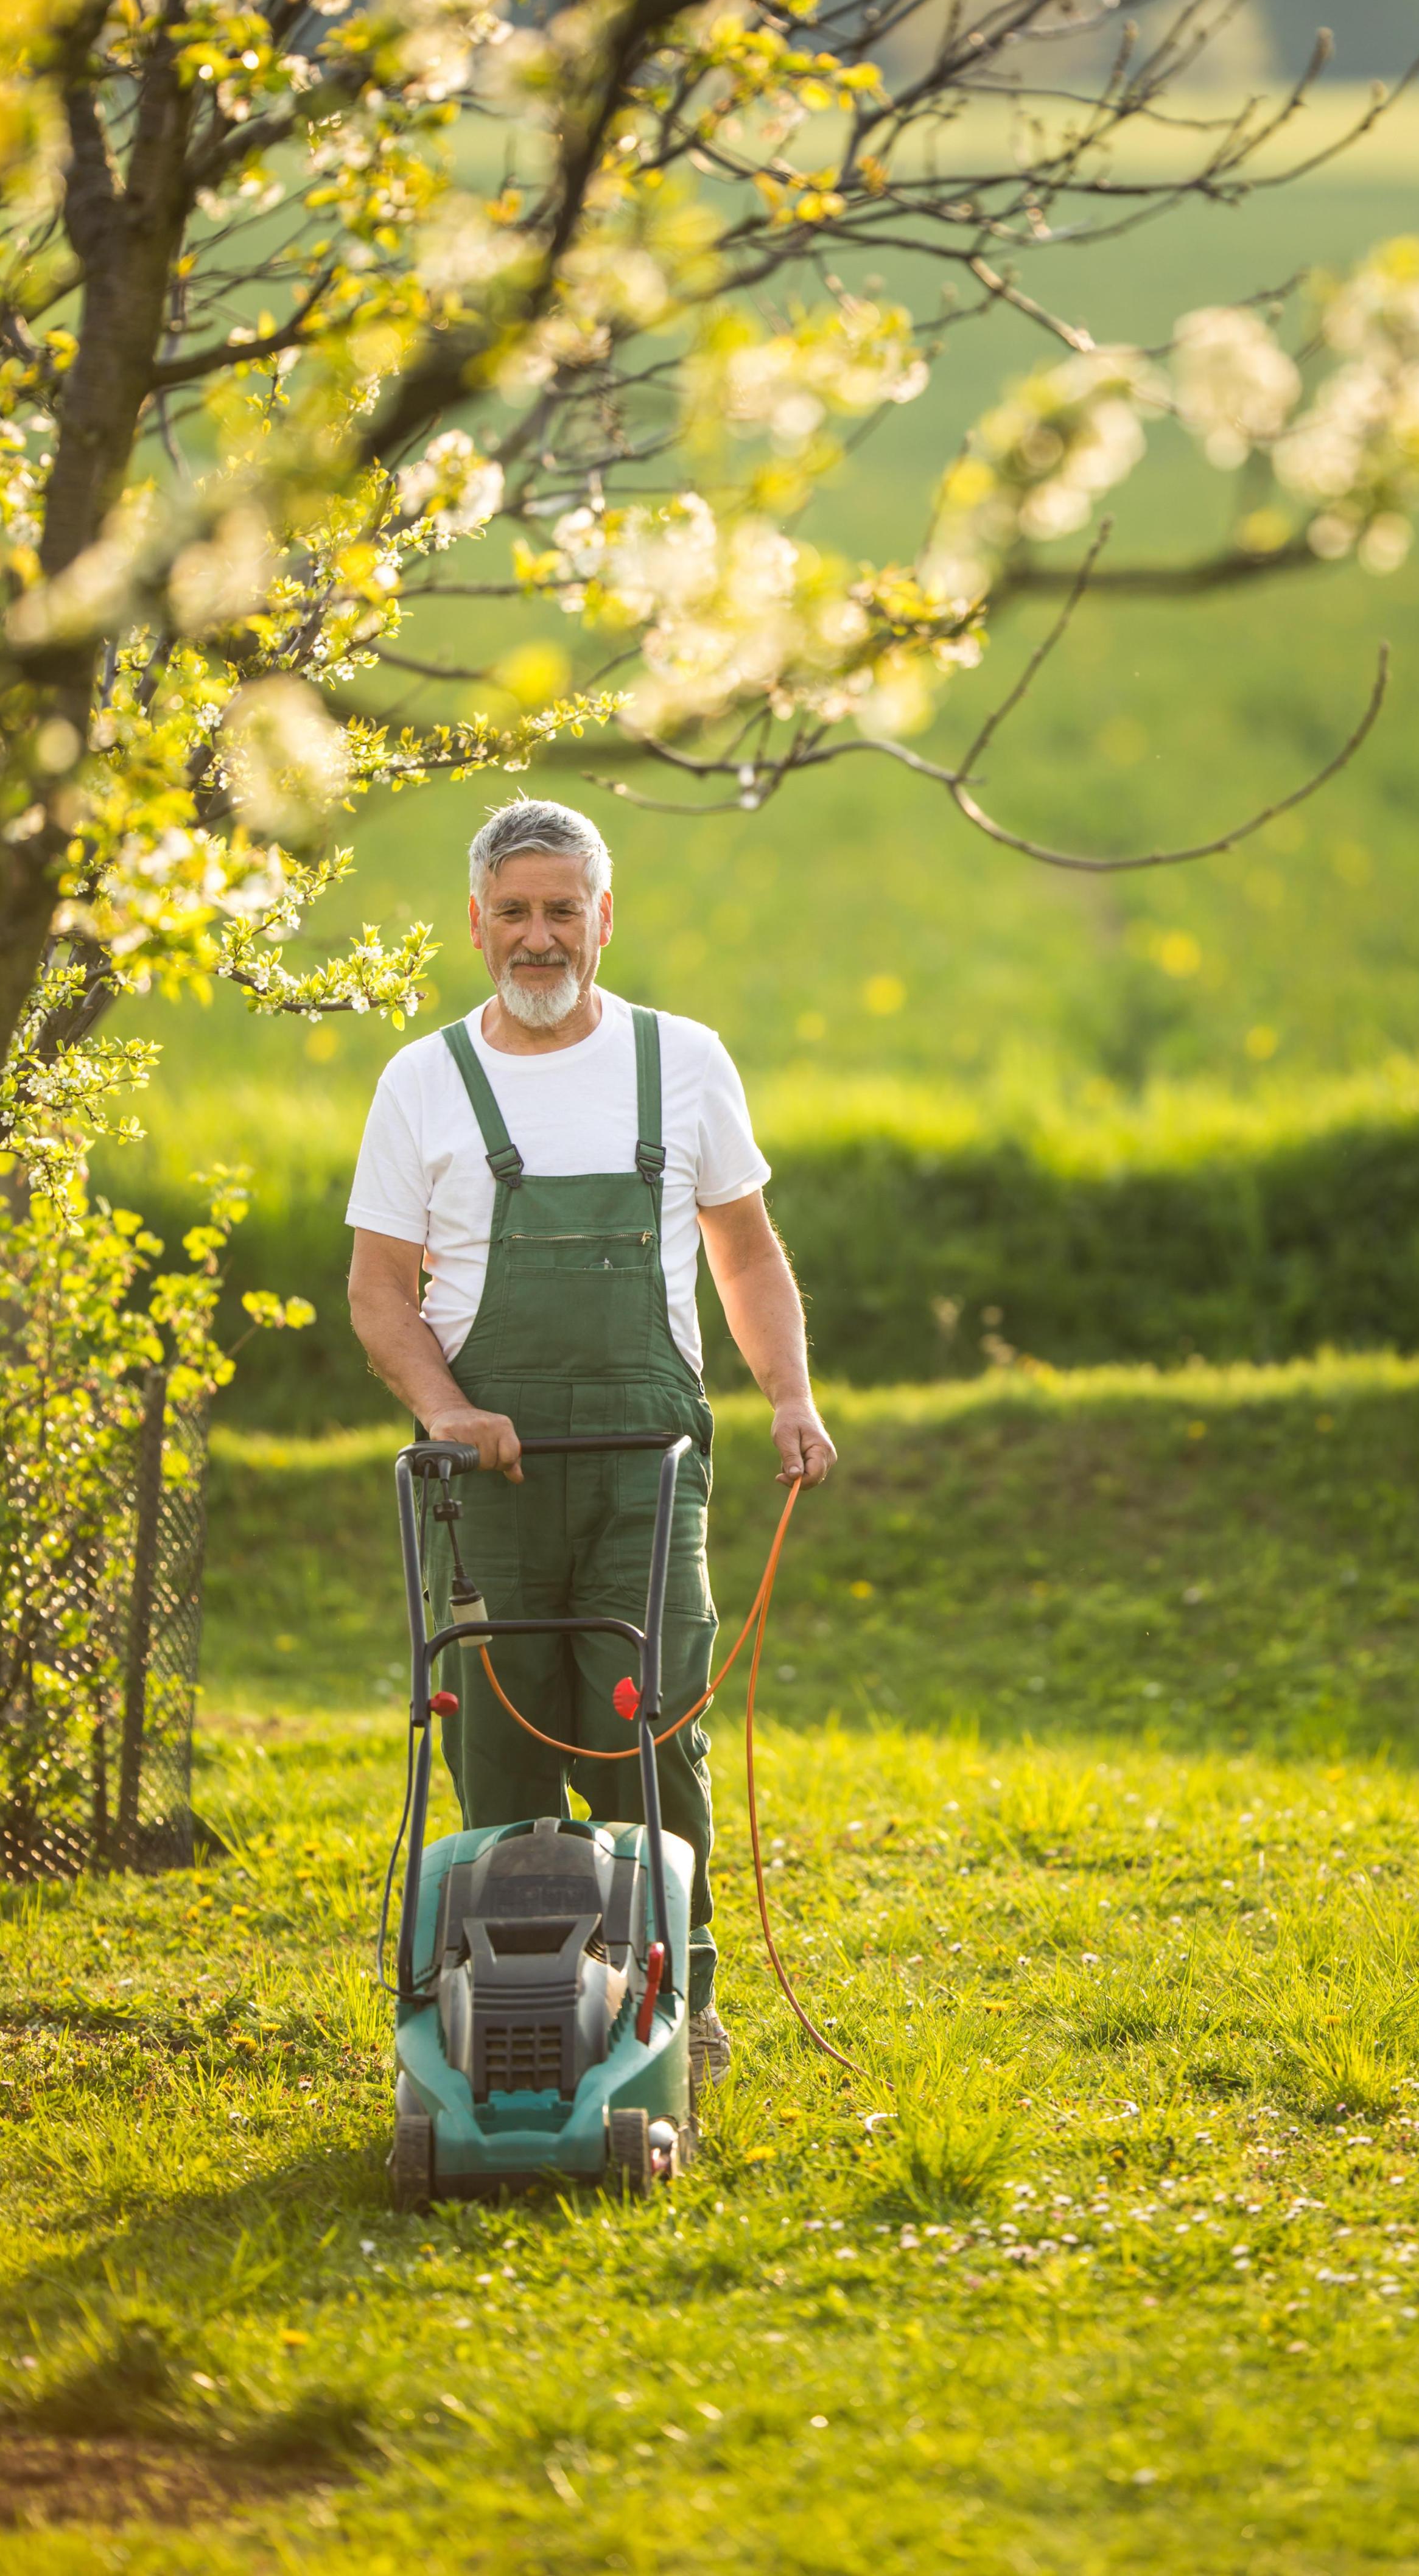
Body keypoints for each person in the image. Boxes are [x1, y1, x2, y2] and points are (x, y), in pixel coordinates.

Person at [345, 797, 835, 2095]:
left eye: (564, 908)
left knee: (646, 1716)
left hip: (642, 1467)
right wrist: (446, 1410)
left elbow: (744, 1249)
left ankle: (679, 1990)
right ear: (475, 923)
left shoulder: (682, 1062)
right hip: (486, 1472)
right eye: (514, 910)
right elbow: (379, 1290)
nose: (539, 935)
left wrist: (787, 1393)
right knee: (498, 1737)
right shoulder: (423, 1081)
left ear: (604, 917)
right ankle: (505, 1991)